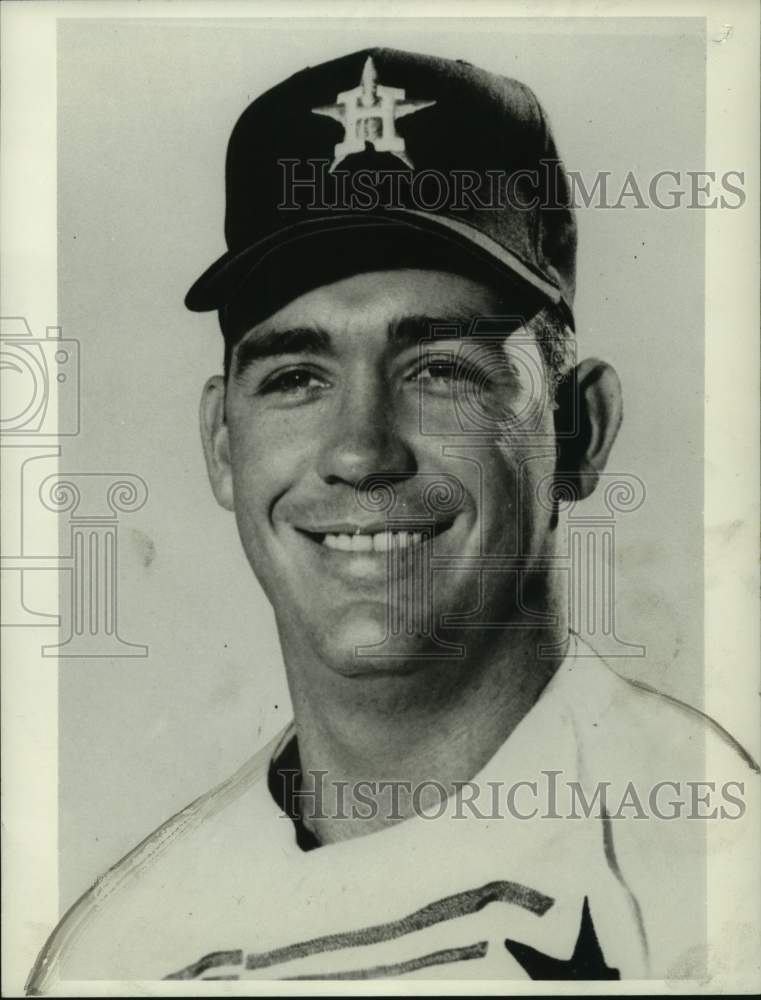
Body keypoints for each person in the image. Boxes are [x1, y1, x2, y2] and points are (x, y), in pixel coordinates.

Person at [28, 47, 758, 989]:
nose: (361, 452)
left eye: (440, 370)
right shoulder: (117, 955)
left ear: (579, 430)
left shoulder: (714, 877)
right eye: (296, 378)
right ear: (221, 441)